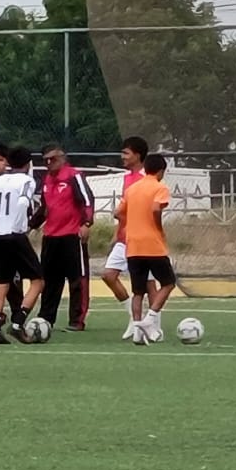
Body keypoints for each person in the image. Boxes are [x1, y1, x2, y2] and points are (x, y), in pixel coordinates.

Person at [0, 144, 44, 343]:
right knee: (38, 280)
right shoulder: (27, 181)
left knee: (3, 282)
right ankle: (18, 322)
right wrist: (18, 227)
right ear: (28, 164)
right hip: (14, 236)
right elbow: (23, 202)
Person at [118, 153, 176, 345]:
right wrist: (157, 227)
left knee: (138, 291)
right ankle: (150, 319)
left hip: (133, 245)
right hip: (152, 244)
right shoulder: (160, 187)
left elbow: (118, 212)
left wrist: (131, 225)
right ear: (160, 171)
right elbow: (156, 208)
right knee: (168, 283)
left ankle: (137, 330)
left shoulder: (132, 188)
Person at [38, 144, 95, 331]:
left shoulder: (74, 176)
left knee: (77, 279)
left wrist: (86, 223)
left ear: (62, 158)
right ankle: (46, 318)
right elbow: (44, 208)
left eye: (53, 159)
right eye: (45, 160)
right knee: (49, 280)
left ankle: (77, 320)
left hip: (72, 235)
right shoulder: (46, 179)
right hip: (50, 236)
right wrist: (31, 225)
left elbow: (88, 200)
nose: (49, 163)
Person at [101, 136, 153, 340]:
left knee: (148, 283)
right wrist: (117, 233)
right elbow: (124, 210)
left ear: (137, 155)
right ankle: (134, 317)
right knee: (108, 275)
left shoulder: (147, 178)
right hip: (125, 238)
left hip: (142, 239)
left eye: (126, 153)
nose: (122, 156)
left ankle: (153, 326)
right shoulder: (127, 178)